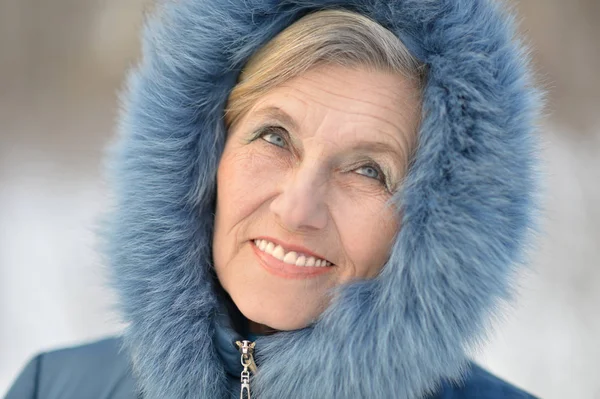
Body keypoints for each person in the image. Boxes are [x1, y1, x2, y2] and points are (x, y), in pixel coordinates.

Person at [5, 0, 543, 398]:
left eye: (368, 170)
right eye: (275, 137)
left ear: (437, 226)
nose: (296, 209)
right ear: (206, 154)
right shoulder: (52, 386)